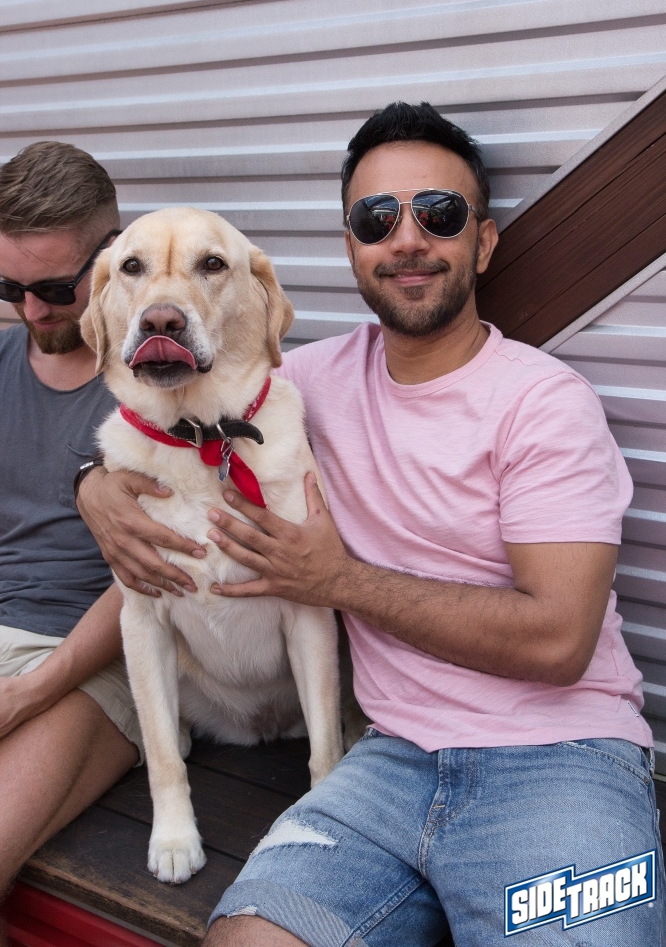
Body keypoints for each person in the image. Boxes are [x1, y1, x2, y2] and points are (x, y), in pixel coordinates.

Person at [76, 103, 664, 945]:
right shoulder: (300, 384)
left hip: (562, 761)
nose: (408, 239)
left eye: (441, 214)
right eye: (377, 218)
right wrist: (94, 485)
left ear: (483, 244)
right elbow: (174, 418)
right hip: (384, 762)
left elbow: (559, 641)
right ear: (351, 247)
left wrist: (339, 581)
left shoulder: (545, 403)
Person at [0, 142, 146, 920]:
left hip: (96, 663)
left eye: (56, 289)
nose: (31, 312)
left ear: (114, 254)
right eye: (9, 288)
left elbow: (154, 579)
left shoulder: (161, 380)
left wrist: (27, 694)